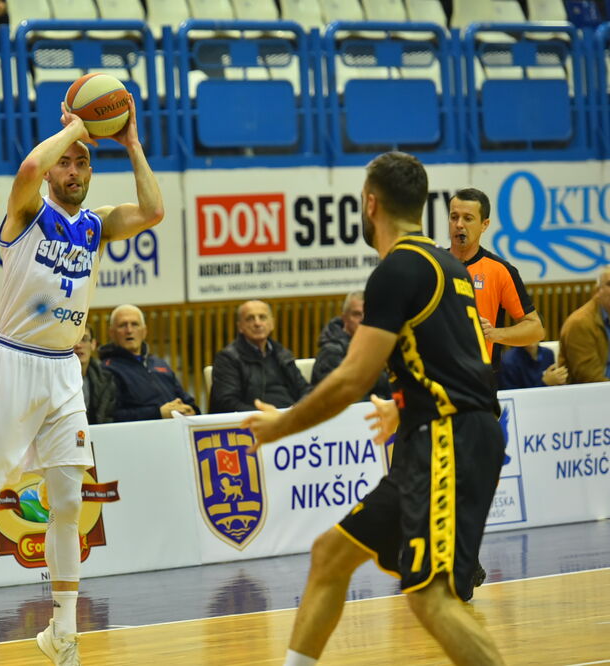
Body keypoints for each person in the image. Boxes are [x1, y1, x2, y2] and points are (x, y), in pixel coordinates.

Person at [242, 152, 505, 665]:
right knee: (331, 556)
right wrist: (406, 411)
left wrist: (281, 425)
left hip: (447, 437)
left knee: (430, 596)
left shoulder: (397, 269)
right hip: (441, 431)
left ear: (370, 203)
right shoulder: (446, 264)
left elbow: (352, 379)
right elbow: (452, 362)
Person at [0, 93, 163, 666]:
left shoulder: (94, 226)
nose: (73, 169)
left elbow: (154, 211)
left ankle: (63, 631)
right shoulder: (28, 211)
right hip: (13, 359)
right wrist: (76, 129)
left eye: (84, 163)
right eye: (68, 161)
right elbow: (29, 169)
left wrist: (131, 143)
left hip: (64, 369)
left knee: (68, 498)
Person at [448, 187, 544, 368]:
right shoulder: (432, 265)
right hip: (436, 377)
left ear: (484, 224)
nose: (459, 224)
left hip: (480, 377)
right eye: (454, 217)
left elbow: (535, 329)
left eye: (468, 218)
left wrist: (493, 334)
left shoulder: (500, 270)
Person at [100, 304, 199, 422]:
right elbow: (113, 416)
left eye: (135, 324)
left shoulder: (159, 364)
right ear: (112, 333)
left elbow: (186, 400)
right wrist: (158, 413)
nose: (129, 330)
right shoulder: (107, 369)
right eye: (122, 325)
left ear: (144, 331)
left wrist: (192, 410)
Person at [209, 300, 310, 413]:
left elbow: (305, 389)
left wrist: (299, 409)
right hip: (253, 422)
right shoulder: (228, 358)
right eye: (250, 318)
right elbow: (226, 403)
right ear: (240, 326)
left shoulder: (282, 353)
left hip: (291, 418)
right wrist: (266, 415)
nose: (257, 323)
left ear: (272, 324)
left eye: (262, 317)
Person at [311, 292, 391, 401]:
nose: (363, 320)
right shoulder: (331, 351)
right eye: (357, 314)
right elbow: (340, 397)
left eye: (367, 315)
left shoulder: (378, 346)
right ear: (344, 318)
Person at [558, 266, 610, 383]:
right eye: (609, 284)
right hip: (591, 396)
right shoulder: (579, 324)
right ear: (597, 291)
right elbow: (589, 378)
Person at [74, 325, 116, 425]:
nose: (78, 345)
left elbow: (109, 418)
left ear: (93, 344)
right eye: (73, 341)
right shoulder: (55, 380)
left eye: (84, 339)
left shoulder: (106, 379)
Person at [499, 343, 567, 389]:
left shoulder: (548, 354)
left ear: (542, 333)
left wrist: (559, 379)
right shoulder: (508, 361)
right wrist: (544, 383)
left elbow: (553, 386)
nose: (531, 334)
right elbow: (513, 397)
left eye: (535, 330)